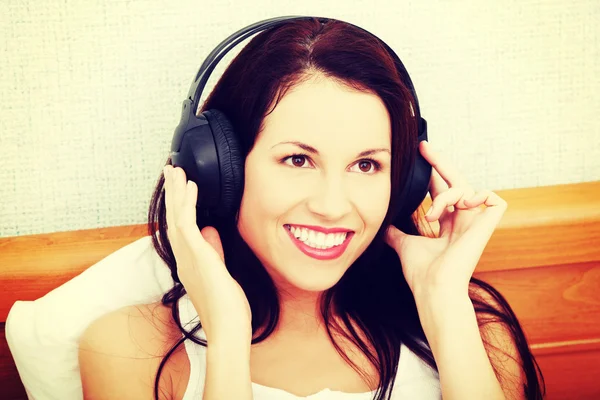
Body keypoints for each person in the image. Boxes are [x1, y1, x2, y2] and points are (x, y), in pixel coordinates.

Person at [77, 17, 545, 400]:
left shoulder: (472, 326)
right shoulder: (128, 351)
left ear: (403, 182)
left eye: (366, 165)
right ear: (218, 170)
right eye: (298, 159)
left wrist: (444, 304)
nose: (332, 206)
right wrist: (227, 334)